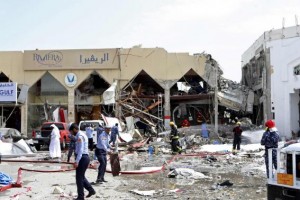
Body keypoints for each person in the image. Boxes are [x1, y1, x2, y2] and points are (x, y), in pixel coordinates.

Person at [69, 123, 95, 200]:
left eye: (71, 131)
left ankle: (80, 197)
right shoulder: (81, 135)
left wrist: (77, 161)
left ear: (74, 129)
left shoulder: (80, 136)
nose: (71, 133)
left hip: (82, 158)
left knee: (79, 178)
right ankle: (91, 190)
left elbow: (80, 150)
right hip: (84, 158)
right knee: (81, 177)